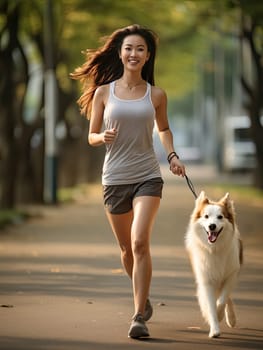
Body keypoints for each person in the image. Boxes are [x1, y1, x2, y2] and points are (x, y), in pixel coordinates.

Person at [71, 24, 186, 339]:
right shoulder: (104, 93)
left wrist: (172, 156)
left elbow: (163, 129)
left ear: (148, 56)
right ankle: (143, 295)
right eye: (129, 48)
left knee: (139, 241)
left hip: (147, 175)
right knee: (125, 249)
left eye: (140, 49)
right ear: (120, 54)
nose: (134, 54)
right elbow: (91, 135)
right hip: (114, 179)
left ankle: (138, 316)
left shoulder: (156, 94)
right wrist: (100, 136)